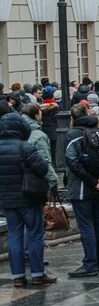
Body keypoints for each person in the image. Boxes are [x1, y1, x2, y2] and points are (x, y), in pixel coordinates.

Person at [0, 113, 57, 287]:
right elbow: (42, 168)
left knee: (14, 235)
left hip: (7, 200)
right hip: (29, 197)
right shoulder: (24, 147)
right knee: (34, 234)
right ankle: (38, 274)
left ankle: (17, 276)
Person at [65, 103, 99, 277]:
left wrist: (93, 181)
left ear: (73, 118)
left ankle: (90, 264)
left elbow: (72, 162)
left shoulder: (72, 135)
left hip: (80, 187)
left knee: (86, 225)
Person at [20, 104, 58, 193]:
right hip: (35, 182)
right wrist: (53, 180)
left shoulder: (18, 130)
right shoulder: (38, 135)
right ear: (37, 116)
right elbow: (45, 160)